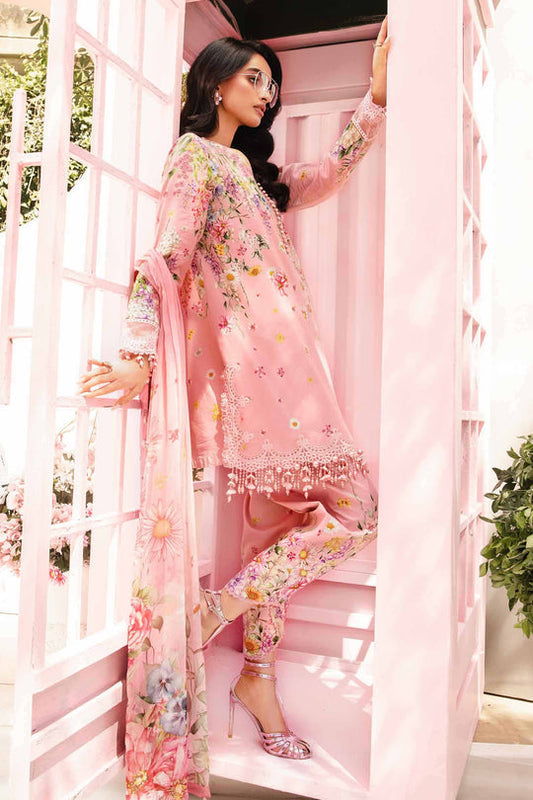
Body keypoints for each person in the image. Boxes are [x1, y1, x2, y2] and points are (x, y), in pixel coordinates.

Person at [77, 19, 390, 763]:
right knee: (357, 513)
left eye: (271, 84)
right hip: (260, 379)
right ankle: (215, 611)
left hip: (295, 374)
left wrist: (375, 100)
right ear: (214, 82)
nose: (266, 92)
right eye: (253, 78)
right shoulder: (196, 158)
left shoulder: (250, 174)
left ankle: (257, 678)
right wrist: (136, 354)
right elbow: (167, 258)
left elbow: (328, 174)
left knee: (278, 533)